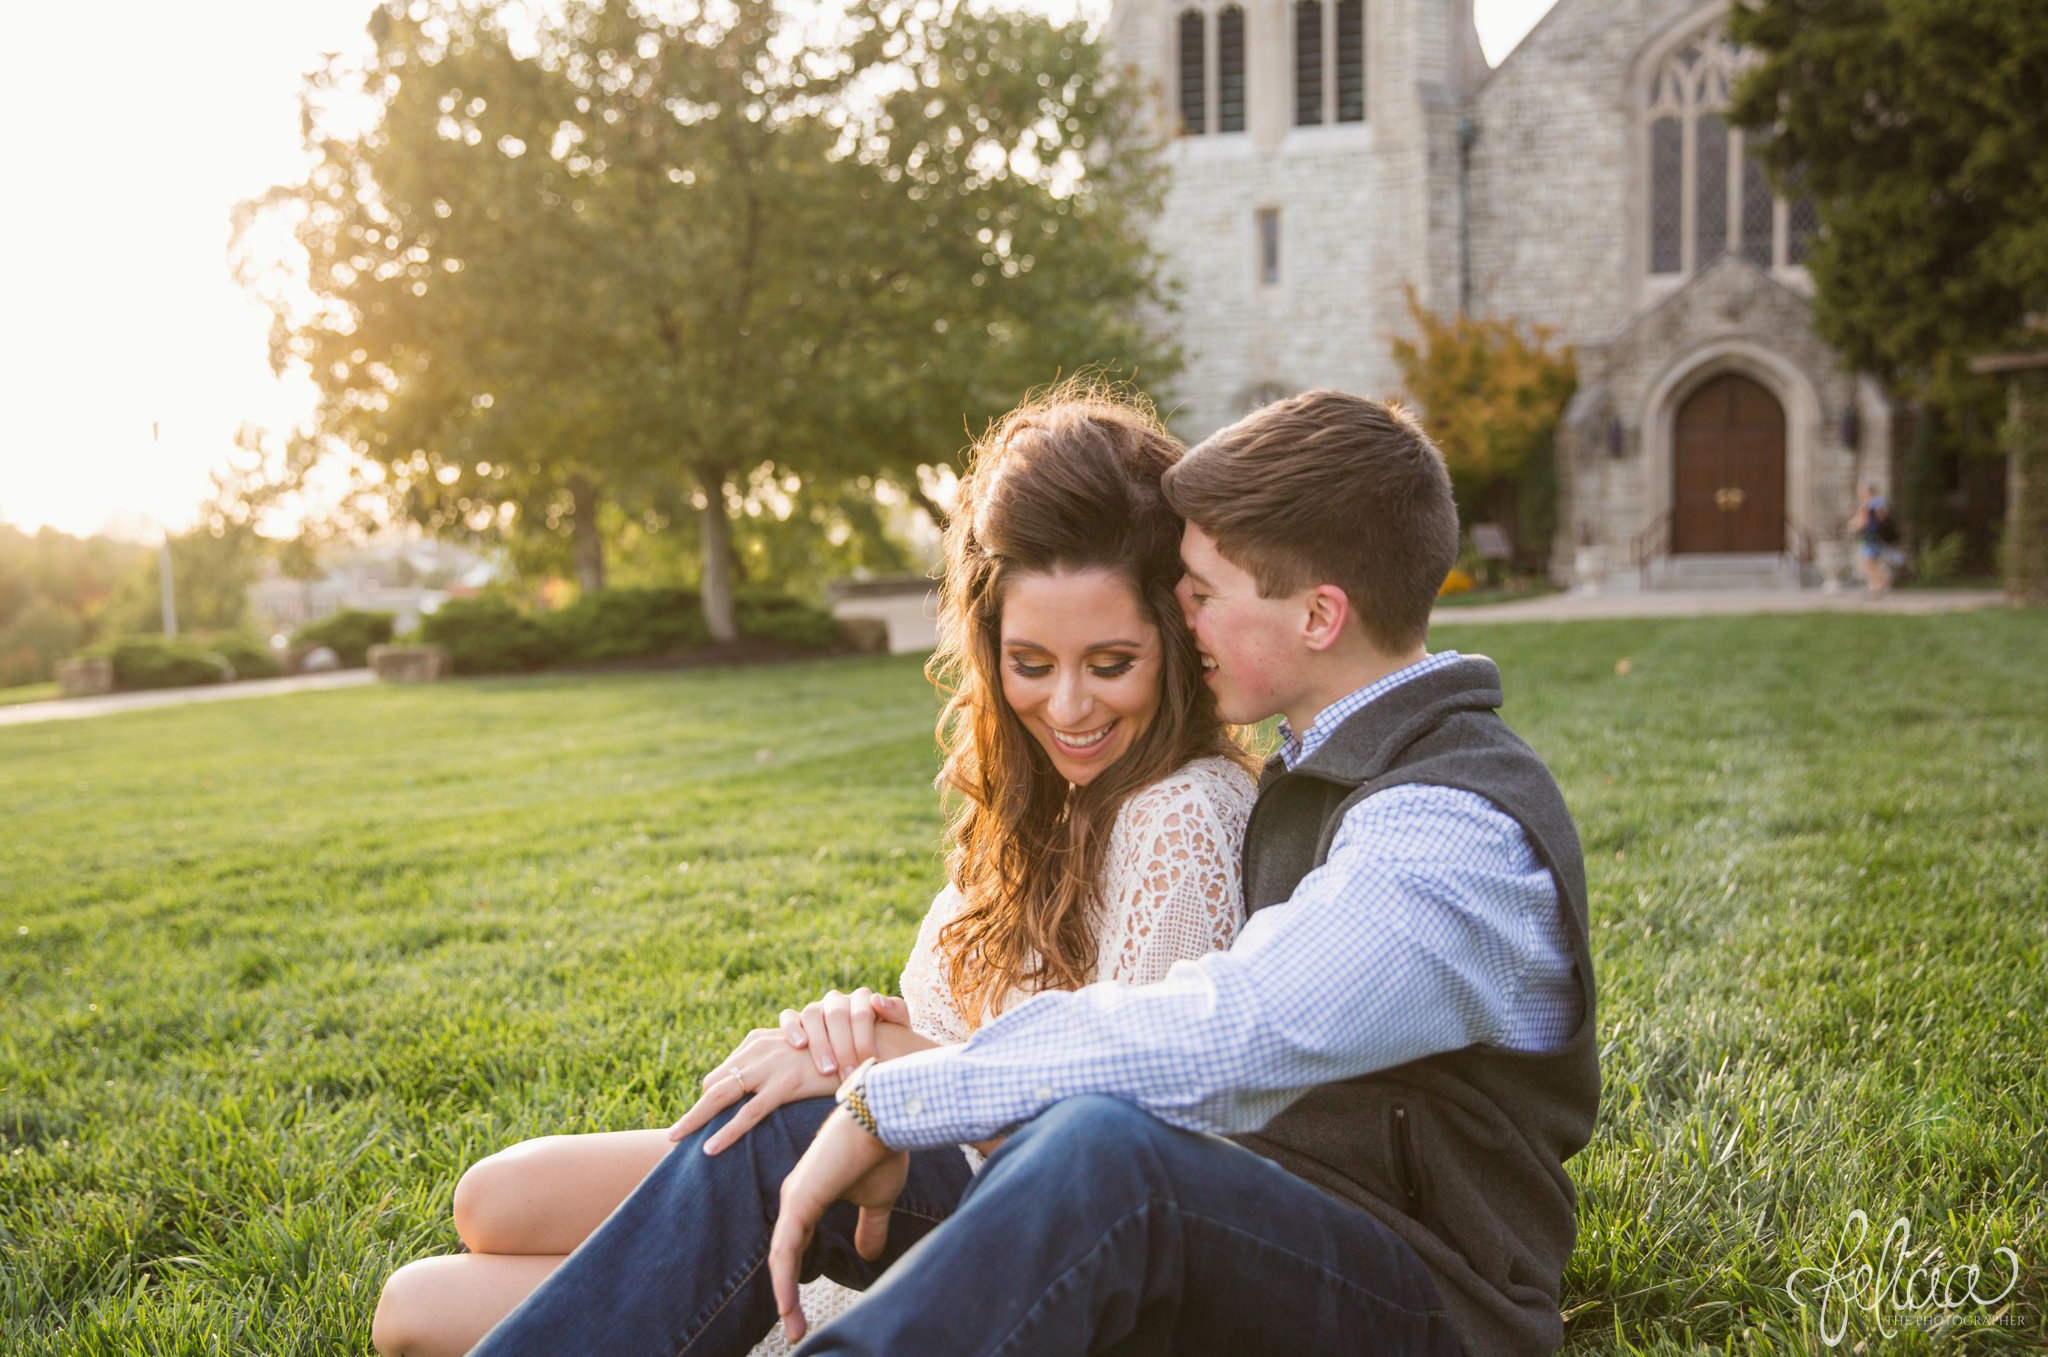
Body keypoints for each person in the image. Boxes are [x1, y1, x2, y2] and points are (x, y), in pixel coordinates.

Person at [472, 390, 1598, 1357]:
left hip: (1428, 1305)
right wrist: (860, 1081)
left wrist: (898, 1092)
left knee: (1102, 1148)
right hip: (1257, 1225)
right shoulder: (1330, 769)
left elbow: (1232, 1030)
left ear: (1317, 614)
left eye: (1202, 592)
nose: (1182, 614)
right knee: (796, 1129)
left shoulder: (1449, 830)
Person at [368, 387, 1259, 1357]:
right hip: (893, 1151)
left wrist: (879, 1073)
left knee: (465, 1287)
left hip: (982, 1223)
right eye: (1031, 662)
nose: (1069, 705)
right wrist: (852, 1033)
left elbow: (1119, 1159)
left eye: (1111, 661)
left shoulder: (1182, 816)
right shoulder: (1041, 800)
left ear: (1175, 641)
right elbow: (953, 1025)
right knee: (464, 1236)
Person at [1851, 483, 1902, 596]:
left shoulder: (1876, 501)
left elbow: (1881, 515)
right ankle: (1875, 585)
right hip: (1870, 537)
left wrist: (1865, 521)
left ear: (1869, 492)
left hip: (1874, 537)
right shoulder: (1870, 503)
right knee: (1869, 562)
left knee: (1867, 561)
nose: (1861, 495)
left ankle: (1880, 584)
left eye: (1862, 492)